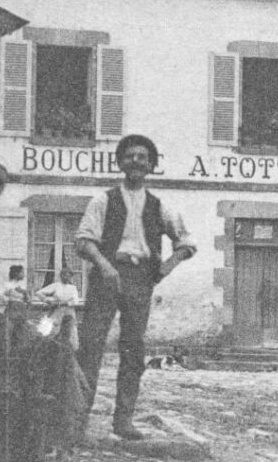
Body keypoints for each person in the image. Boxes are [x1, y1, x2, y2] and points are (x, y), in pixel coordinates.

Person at [75, 134, 195, 441]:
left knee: (133, 349)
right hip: (106, 276)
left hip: (141, 280)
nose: (136, 162)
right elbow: (83, 241)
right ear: (120, 162)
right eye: (130, 156)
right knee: (90, 347)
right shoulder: (102, 200)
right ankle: (76, 420)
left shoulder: (159, 206)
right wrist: (104, 266)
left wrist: (166, 267)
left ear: (152, 165)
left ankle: (123, 420)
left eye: (143, 157)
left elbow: (186, 242)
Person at [34, 266, 81, 342]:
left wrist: (65, 303)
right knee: (54, 330)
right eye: (64, 275)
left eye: (69, 276)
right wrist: (48, 300)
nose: (66, 277)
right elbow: (39, 293)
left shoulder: (73, 288)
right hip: (57, 311)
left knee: (70, 332)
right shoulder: (56, 285)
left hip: (69, 312)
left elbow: (75, 301)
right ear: (61, 276)